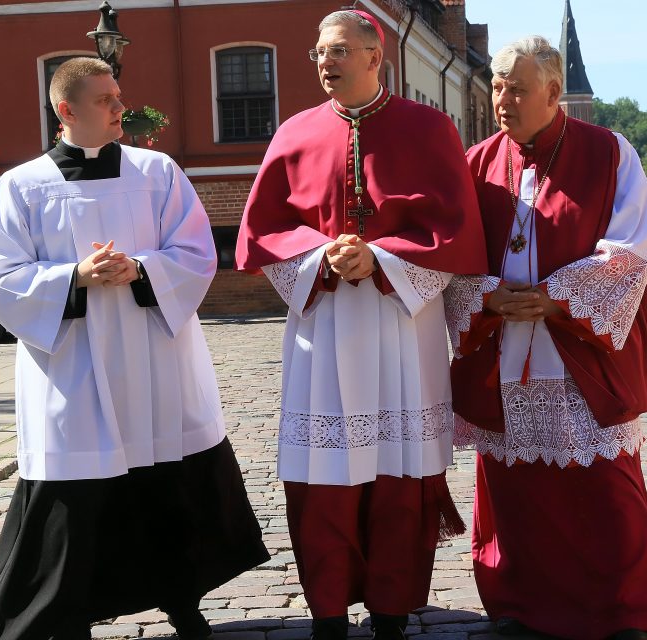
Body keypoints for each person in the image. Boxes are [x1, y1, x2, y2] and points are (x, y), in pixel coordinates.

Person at [0, 57, 269, 640]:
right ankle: (67, 612)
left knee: (165, 486)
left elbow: (196, 252)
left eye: (118, 97)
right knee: (78, 496)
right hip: (73, 366)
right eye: (106, 99)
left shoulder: (156, 173)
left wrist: (138, 267)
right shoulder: (22, 187)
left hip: (155, 363)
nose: (119, 109)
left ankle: (182, 601)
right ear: (66, 111)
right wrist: (72, 277)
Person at [235, 10, 487, 640]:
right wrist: (321, 256)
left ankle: (392, 609)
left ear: (377, 58)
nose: (327, 61)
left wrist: (382, 257)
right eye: (319, 52)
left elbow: (457, 233)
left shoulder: (429, 129)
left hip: (402, 326)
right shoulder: (293, 134)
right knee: (324, 477)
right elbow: (263, 232)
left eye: (341, 50)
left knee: (399, 475)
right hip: (323, 326)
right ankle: (327, 611)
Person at [443, 37, 647, 640]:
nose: (502, 99)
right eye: (497, 85)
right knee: (515, 489)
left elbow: (631, 246)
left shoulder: (608, 153)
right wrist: (487, 296)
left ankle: (628, 611)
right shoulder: (475, 163)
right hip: (505, 352)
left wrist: (560, 297)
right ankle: (517, 605)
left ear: (553, 93)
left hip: (579, 353)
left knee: (604, 488)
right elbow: (453, 256)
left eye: (517, 89)